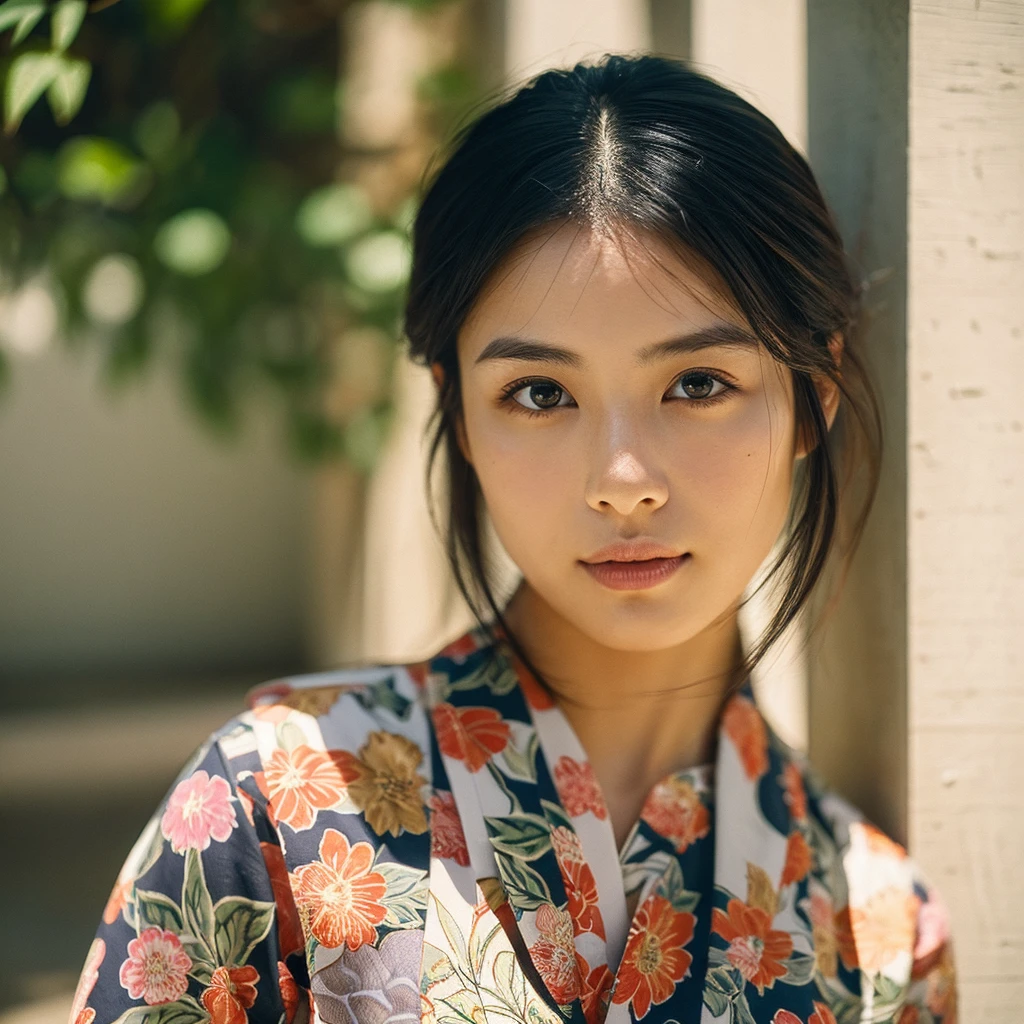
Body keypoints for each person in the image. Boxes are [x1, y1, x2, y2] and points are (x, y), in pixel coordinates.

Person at [68, 54, 957, 1024]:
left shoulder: (878, 937)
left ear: (812, 394)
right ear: (459, 415)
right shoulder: (271, 809)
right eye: (539, 393)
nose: (623, 482)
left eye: (698, 383)